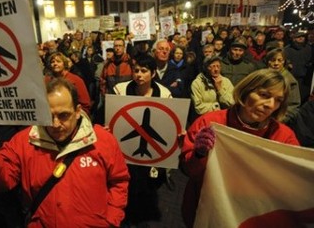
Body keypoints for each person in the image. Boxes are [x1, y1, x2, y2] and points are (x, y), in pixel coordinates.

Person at [0, 78, 130, 227]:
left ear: (78, 111)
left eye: (63, 115)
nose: (55, 124)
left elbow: (119, 181)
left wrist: (111, 219)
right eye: (49, 116)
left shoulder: (103, 140)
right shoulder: (23, 142)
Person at [180, 69, 300, 228]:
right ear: (245, 92)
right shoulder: (210, 122)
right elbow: (188, 170)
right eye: (264, 95)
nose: (270, 105)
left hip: (253, 217)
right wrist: (199, 154)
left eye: (278, 100)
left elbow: (293, 183)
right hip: (208, 209)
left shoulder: (284, 137)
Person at [113, 54, 186, 227]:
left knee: (148, 185)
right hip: (125, 150)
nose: (139, 74)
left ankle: (141, 215)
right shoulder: (120, 90)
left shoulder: (164, 93)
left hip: (153, 152)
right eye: (136, 70)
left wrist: (177, 133)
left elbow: (169, 122)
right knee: (127, 182)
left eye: (144, 71)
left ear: (153, 73)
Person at [265, 48, 301, 123]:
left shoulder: (290, 80)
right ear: (268, 61)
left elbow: (293, 106)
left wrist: (280, 120)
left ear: (284, 62)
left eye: (279, 60)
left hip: (275, 120)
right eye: (273, 60)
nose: (276, 63)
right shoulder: (263, 75)